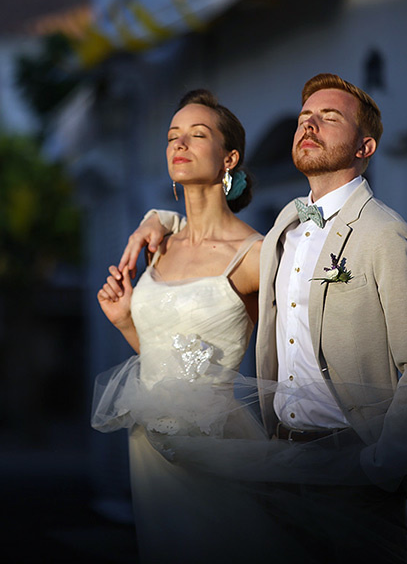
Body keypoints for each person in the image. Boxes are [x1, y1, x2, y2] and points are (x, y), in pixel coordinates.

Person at [115, 73, 407, 562]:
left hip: (354, 467)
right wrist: (163, 218)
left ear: (365, 146)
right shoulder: (284, 230)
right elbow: (209, 242)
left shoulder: (385, 234)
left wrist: (379, 465)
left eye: (329, 117)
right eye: (305, 118)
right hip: (279, 463)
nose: (310, 125)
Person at [91, 89, 286, 562]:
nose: (180, 144)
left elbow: (280, 356)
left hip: (214, 442)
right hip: (149, 445)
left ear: (229, 157)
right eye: (173, 136)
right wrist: (124, 323)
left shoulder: (255, 255)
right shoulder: (161, 242)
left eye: (197, 135)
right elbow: (164, 353)